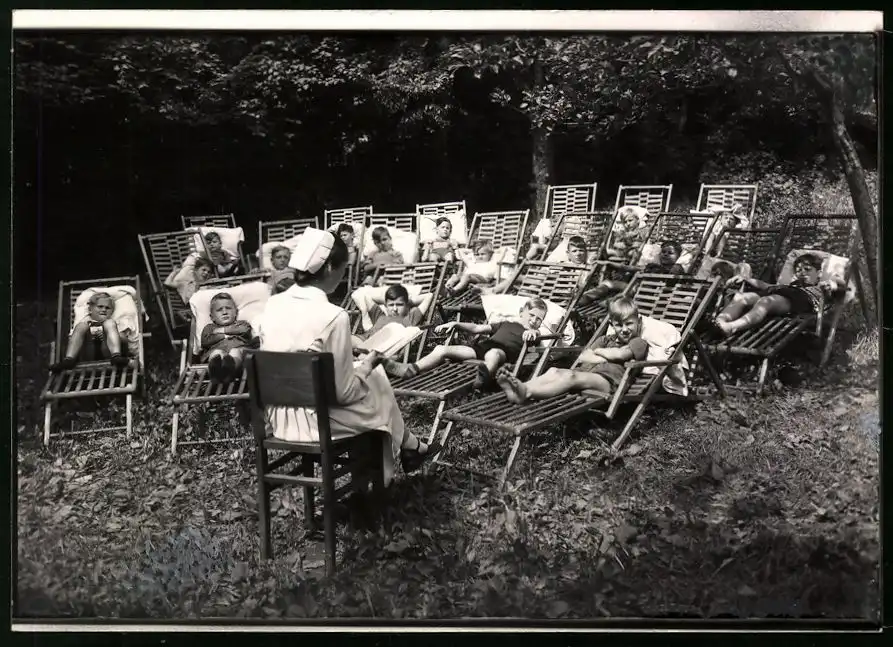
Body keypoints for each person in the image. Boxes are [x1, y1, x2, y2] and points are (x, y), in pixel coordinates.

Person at [257, 227, 440, 485]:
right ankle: (382, 482)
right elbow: (344, 393)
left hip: (280, 418)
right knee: (377, 395)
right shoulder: (333, 315)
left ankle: (411, 447)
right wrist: (366, 366)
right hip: (315, 424)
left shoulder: (273, 304)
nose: (343, 277)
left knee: (372, 379)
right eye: (344, 269)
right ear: (330, 268)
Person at [495, 296, 648, 403]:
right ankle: (520, 389)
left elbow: (621, 354)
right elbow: (583, 356)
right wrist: (603, 355)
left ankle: (527, 393)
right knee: (554, 371)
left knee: (571, 376)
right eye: (619, 325)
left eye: (629, 324)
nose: (625, 329)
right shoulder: (605, 339)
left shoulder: (638, 342)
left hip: (609, 382)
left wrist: (600, 353)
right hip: (588, 374)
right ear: (612, 325)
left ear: (638, 322)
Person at [383, 296, 547, 390]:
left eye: (539, 319)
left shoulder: (534, 334)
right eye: (531, 315)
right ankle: (411, 369)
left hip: (504, 355)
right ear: (521, 312)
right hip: (481, 349)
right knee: (441, 349)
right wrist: (456, 324)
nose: (534, 321)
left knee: (494, 354)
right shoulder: (505, 324)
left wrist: (532, 333)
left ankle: (482, 381)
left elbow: (536, 337)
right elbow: (476, 328)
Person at [709, 252, 845, 338]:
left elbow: (840, 285)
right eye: (798, 270)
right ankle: (719, 323)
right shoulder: (793, 284)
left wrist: (832, 284)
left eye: (807, 269)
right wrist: (745, 278)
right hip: (781, 292)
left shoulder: (820, 287)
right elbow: (769, 287)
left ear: (819, 273)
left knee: (766, 302)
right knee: (741, 297)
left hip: (800, 300)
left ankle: (731, 328)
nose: (802, 272)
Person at [577, 240, 684, 306]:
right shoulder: (653, 266)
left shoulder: (677, 268)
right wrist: (609, 262)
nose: (665, 255)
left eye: (670, 253)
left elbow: (676, 276)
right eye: (663, 252)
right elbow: (629, 268)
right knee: (608, 283)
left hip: (650, 294)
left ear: (678, 256)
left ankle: (608, 304)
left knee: (620, 295)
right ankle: (584, 299)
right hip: (637, 289)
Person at [51, 292, 131, 372]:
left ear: (112, 311)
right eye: (100, 307)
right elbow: (72, 340)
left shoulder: (114, 322)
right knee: (82, 326)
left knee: (109, 323)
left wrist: (108, 335)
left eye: (107, 308)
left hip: (109, 354)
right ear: (90, 309)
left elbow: (125, 340)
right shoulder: (84, 322)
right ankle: (69, 360)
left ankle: (116, 356)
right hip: (88, 354)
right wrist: (89, 336)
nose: (104, 310)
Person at [484, 235, 590, 295]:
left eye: (581, 250)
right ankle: (493, 291)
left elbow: (581, 284)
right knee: (517, 275)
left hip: (561, 289)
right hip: (548, 282)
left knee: (533, 283)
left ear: (585, 252)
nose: (578, 254)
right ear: (568, 254)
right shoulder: (565, 262)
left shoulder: (586, 267)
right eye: (575, 251)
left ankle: (521, 295)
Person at [200, 292, 258, 384]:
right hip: (216, 350)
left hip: (239, 349)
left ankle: (231, 371)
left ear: (236, 312)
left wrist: (222, 330)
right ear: (212, 317)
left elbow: (244, 330)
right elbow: (205, 341)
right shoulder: (209, 328)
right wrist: (225, 335)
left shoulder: (241, 324)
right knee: (216, 353)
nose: (224, 312)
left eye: (228, 308)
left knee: (235, 352)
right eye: (219, 310)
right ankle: (215, 372)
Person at [354, 284, 425, 341]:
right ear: (386, 305)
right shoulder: (379, 315)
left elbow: (429, 296)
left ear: (406, 304)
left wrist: (409, 301)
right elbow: (367, 297)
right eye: (391, 305)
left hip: (374, 348)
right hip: (360, 339)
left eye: (399, 304)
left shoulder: (409, 319)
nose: (395, 309)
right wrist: (387, 300)